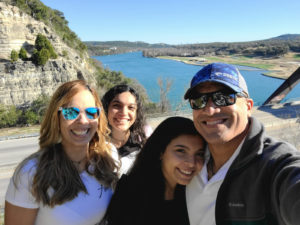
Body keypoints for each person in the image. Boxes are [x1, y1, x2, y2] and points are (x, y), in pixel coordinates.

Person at [184, 62, 300, 225]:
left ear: (248, 106)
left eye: (224, 98)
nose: (210, 110)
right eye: (199, 100)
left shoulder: (274, 166)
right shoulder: (187, 159)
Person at [5, 80, 119, 225]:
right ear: (56, 118)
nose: (83, 121)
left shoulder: (107, 157)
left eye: (91, 112)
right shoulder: (31, 173)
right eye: (71, 112)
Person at [102, 116, 206, 225]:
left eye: (199, 154)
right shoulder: (130, 194)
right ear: (161, 151)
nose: (191, 162)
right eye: (181, 151)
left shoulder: (193, 193)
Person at [101, 84, 153, 174]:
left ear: (136, 112)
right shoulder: (95, 143)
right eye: (117, 106)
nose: (124, 112)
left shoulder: (144, 141)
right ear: (106, 108)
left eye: (131, 107)